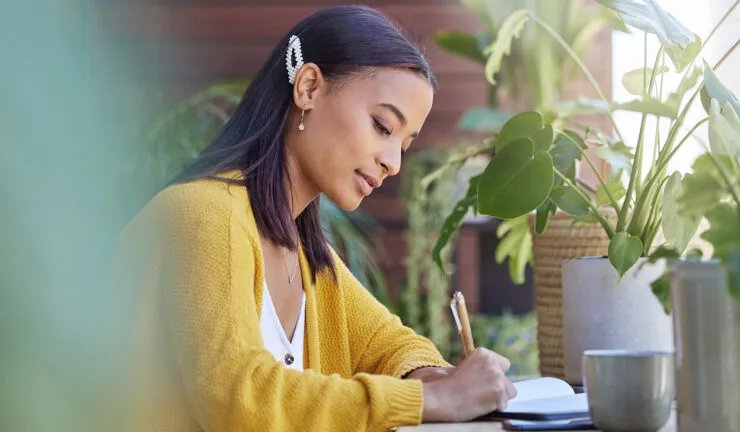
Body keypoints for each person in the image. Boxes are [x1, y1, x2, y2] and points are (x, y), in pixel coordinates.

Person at [116, 5, 517, 431]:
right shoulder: (204, 217)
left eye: (405, 142)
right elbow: (239, 398)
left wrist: (426, 376)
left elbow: (388, 344)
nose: (393, 162)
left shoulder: (306, 251)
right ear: (308, 88)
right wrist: (429, 398)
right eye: (383, 126)